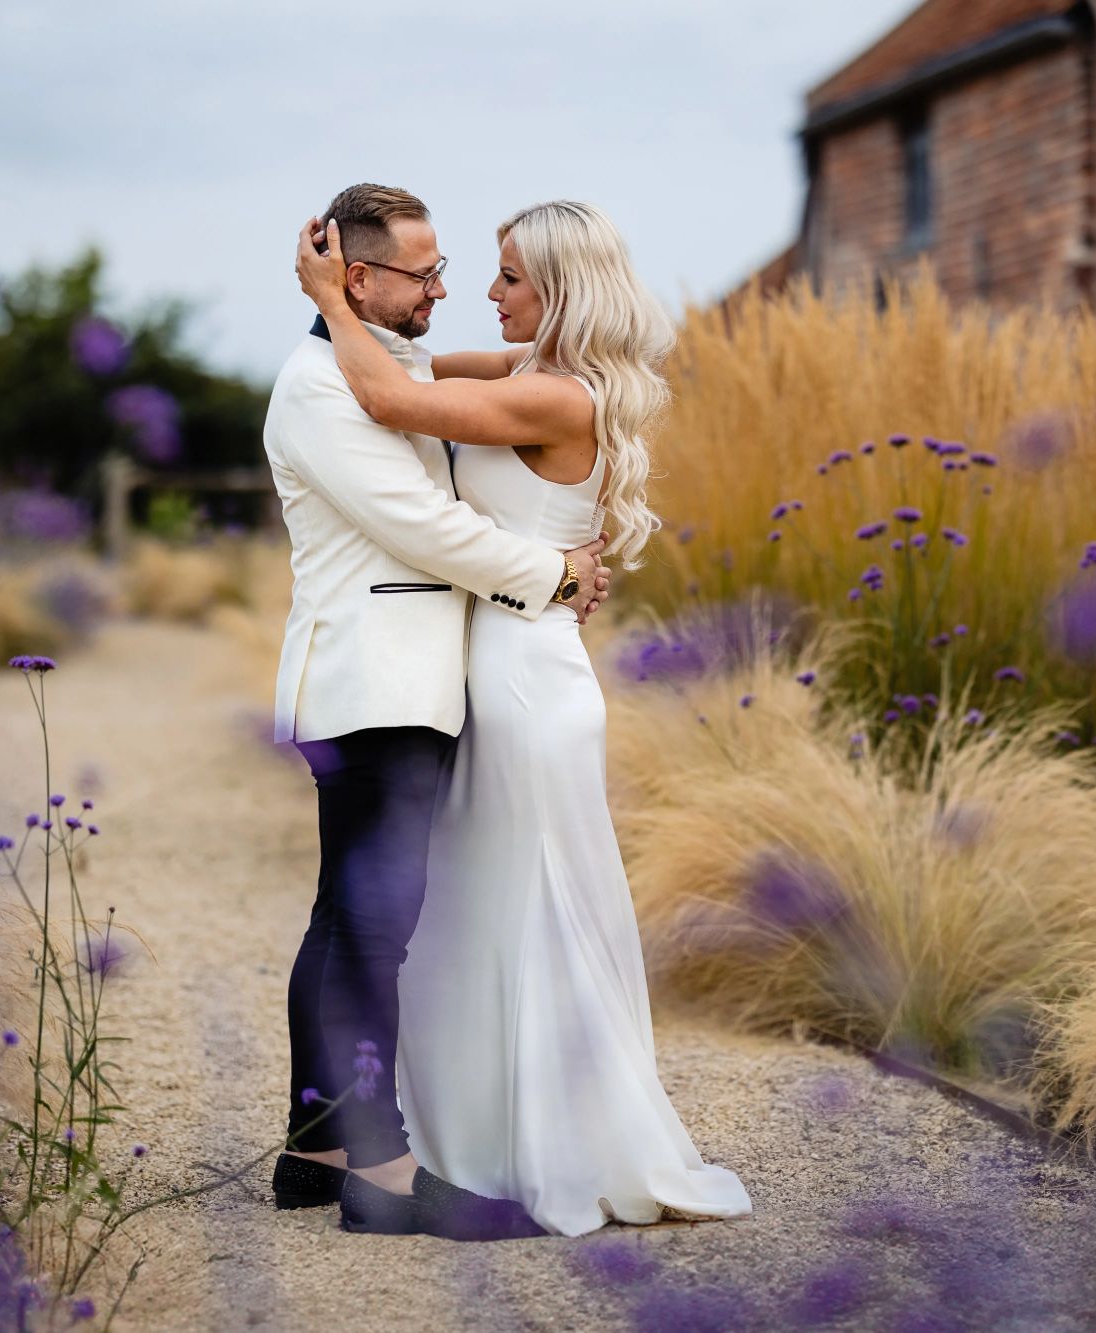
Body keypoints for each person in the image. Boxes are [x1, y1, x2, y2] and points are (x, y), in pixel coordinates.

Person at [293, 197, 752, 1237]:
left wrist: (330, 298)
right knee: (488, 907)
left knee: (523, 907)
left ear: (557, 290)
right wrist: (374, 311)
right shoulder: (534, 372)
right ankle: (479, 1141)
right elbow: (411, 371)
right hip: (512, 662)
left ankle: (534, 1147)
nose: (484, 294)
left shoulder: (557, 397)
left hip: (518, 680)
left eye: (506, 277)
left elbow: (389, 399)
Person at [262, 184, 611, 1238]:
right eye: (425, 273)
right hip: (375, 683)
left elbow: (524, 372)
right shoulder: (321, 387)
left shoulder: (385, 358)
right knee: (375, 928)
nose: (446, 289)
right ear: (359, 277)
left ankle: (315, 1146)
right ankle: (384, 1174)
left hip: (391, 680)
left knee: (343, 919)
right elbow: (420, 526)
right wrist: (549, 572)